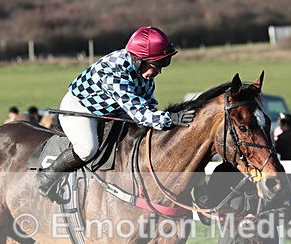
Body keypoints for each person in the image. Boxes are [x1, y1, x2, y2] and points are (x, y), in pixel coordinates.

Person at [37, 26, 195, 201]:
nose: (160, 71)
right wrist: (169, 118)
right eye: (158, 65)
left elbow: (148, 106)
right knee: (87, 149)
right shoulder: (113, 72)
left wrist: (164, 121)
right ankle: (47, 177)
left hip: (115, 109)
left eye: (165, 63)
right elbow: (139, 112)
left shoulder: (143, 73)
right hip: (81, 108)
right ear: (138, 60)